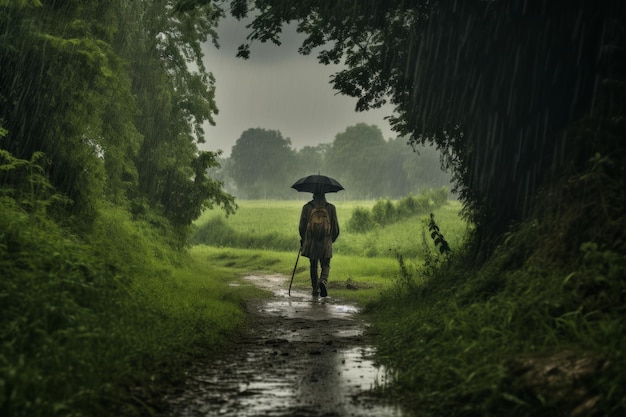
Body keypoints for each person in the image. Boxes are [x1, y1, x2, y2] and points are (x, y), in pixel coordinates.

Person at [299, 190, 340, 297]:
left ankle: (315, 288)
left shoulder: (307, 207)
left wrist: (303, 239)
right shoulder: (331, 208)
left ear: (313, 195)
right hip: (326, 241)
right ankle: (323, 281)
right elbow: (335, 227)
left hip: (312, 242)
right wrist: (331, 239)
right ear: (324, 195)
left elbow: (302, 226)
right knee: (325, 264)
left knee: (313, 265)